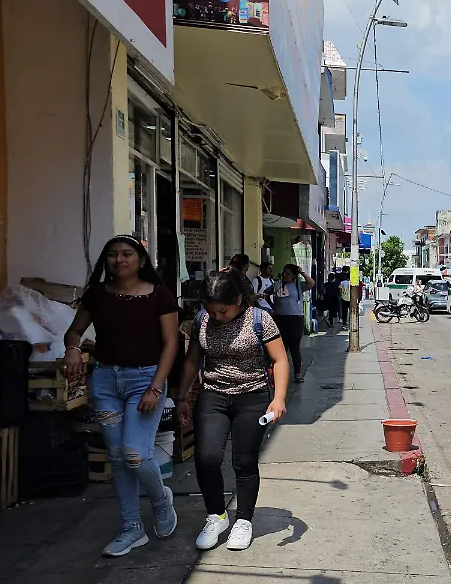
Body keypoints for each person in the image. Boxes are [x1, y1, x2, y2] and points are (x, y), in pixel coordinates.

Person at [64, 235, 179, 557]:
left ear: (141, 260)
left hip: (145, 381)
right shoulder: (98, 295)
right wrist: (72, 348)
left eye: (127, 253)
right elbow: (75, 330)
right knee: (117, 458)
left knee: (135, 455)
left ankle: (161, 500)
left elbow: (171, 344)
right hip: (105, 382)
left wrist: (157, 387)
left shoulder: (159, 296)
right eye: (113, 254)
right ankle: (132, 528)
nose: (119, 259)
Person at [177, 269, 289, 551]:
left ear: (238, 300)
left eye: (223, 311)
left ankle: (244, 520)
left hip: (252, 397)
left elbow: (280, 359)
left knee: (244, 461)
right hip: (213, 394)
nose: (216, 317)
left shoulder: (260, 320)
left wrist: (279, 399)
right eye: (211, 311)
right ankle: (216, 515)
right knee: (206, 458)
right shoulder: (202, 321)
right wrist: (180, 397)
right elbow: (192, 361)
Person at [272, 264, 314, 382]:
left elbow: (311, 283)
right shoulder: (277, 285)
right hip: (280, 318)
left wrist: (302, 273)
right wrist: (272, 307)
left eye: (288, 273)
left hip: (296, 319)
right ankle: (280, 373)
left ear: (294, 276)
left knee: (294, 348)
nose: (285, 275)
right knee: (282, 347)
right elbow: (265, 294)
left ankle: (297, 373)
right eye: (284, 273)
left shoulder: (299, 285)